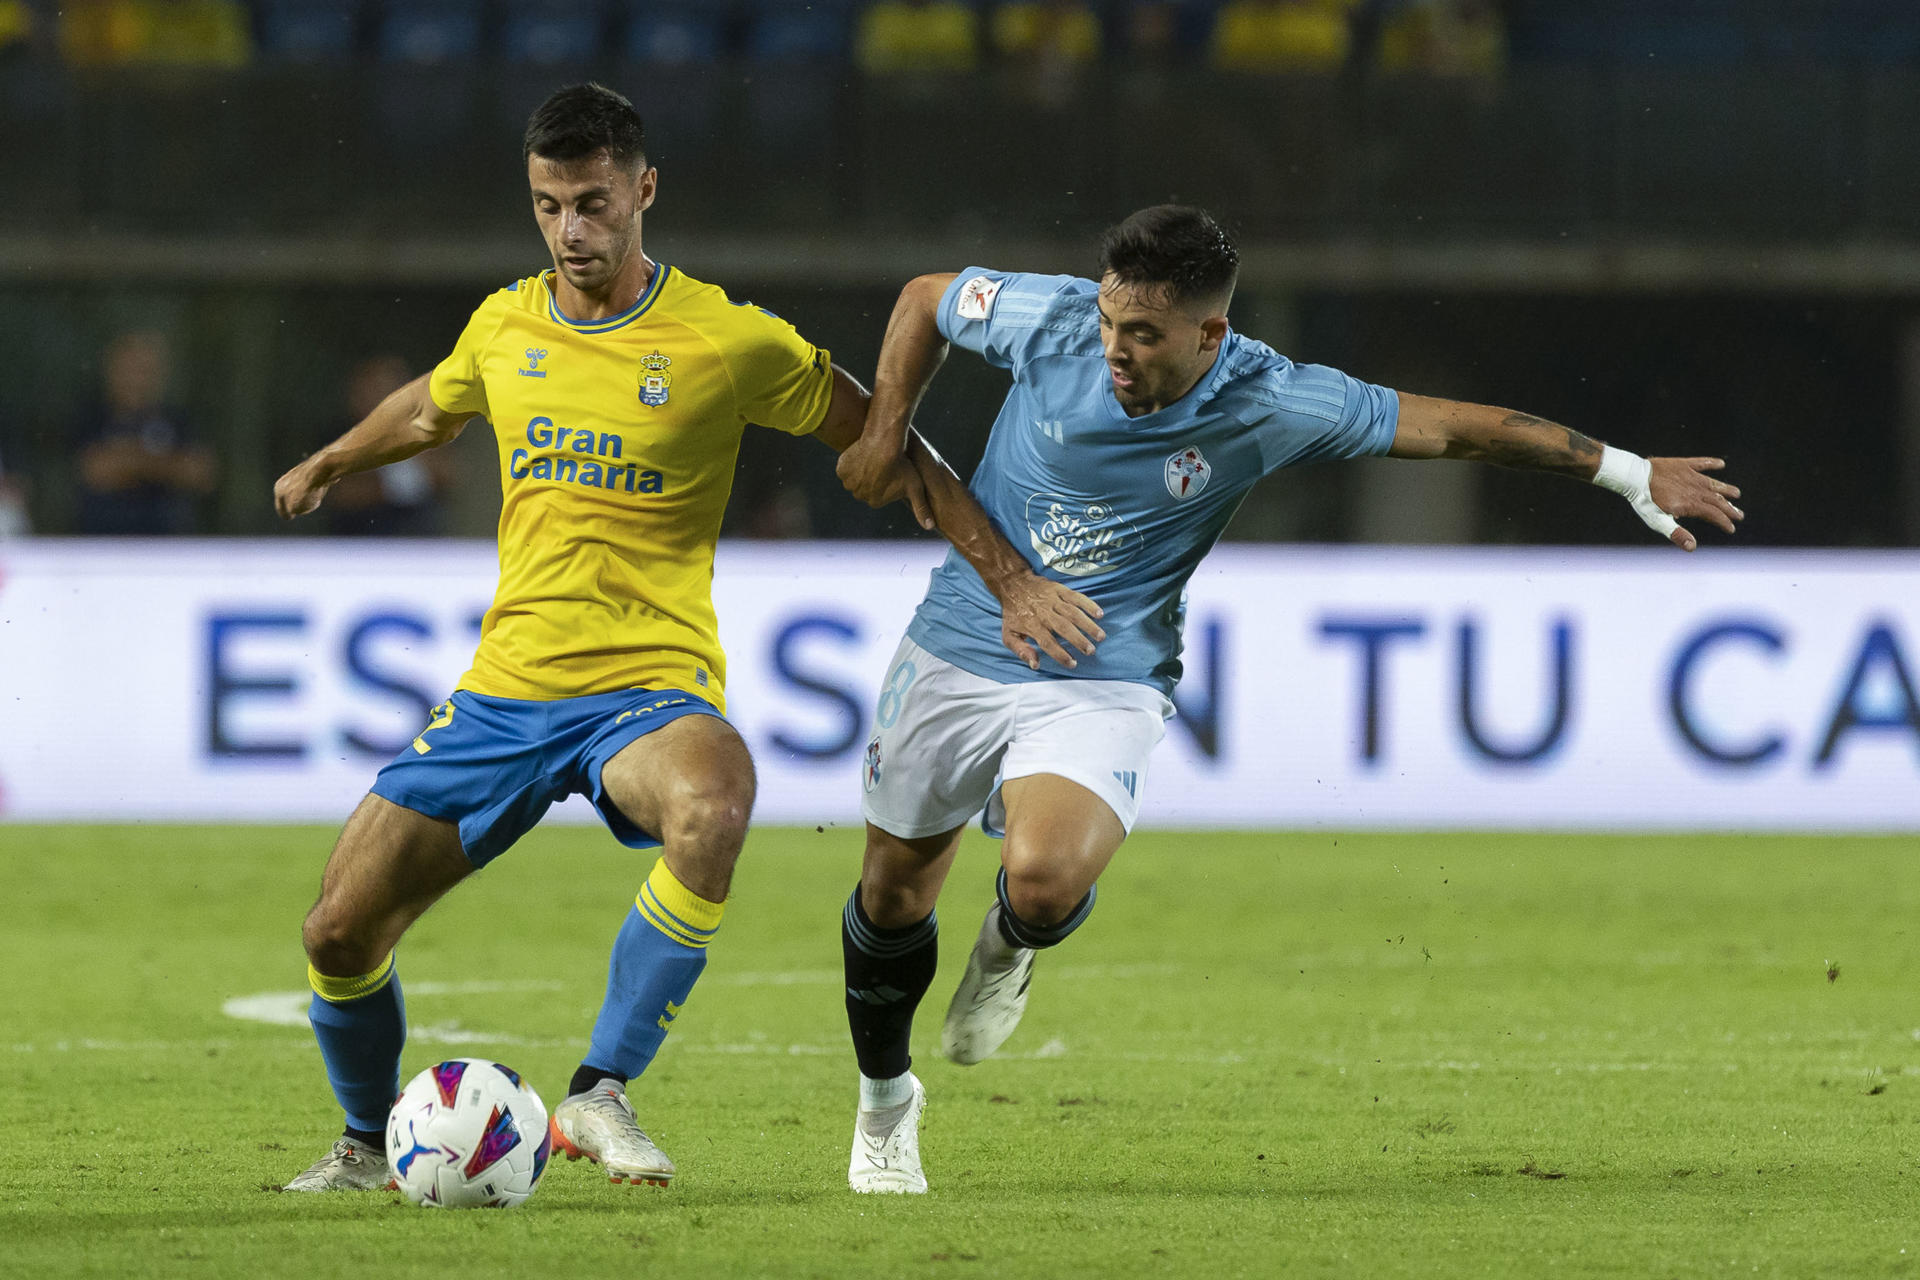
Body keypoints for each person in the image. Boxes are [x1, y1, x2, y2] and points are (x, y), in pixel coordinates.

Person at [270, 82, 1100, 1194]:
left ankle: (601, 1090)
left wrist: (1006, 577)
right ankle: (369, 1145)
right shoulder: (504, 323)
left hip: (644, 692)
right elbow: (432, 405)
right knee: (335, 930)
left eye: (595, 203)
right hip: (504, 692)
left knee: (715, 799)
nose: (573, 230)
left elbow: (889, 439)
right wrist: (331, 459)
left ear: (644, 190)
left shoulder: (725, 340)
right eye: (550, 205)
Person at [831, 204, 1745, 1194]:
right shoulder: (1049, 319)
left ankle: (1011, 945)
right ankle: (886, 1101)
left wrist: (1625, 471)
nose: (1115, 350)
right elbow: (926, 297)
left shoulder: (1271, 397)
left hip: (1103, 668)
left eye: (1143, 334)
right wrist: (887, 429)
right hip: (960, 644)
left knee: (1046, 877)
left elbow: (1450, 428)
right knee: (891, 896)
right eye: (1110, 322)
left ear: (1208, 334)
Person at [73, 329, 217, 535]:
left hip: (170, 543)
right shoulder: (93, 417)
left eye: (144, 370)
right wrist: (165, 464)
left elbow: (201, 474)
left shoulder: (177, 420)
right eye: (129, 369)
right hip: (102, 546)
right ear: (111, 371)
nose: (136, 379)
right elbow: (95, 472)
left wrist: (127, 461)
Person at [318, 355, 453, 537]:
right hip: (356, 542)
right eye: (374, 390)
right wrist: (401, 484)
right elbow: (340, 494)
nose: (382, 398)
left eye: (391, 389)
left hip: (417, 541)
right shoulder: (339, 436)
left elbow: (447, 475)